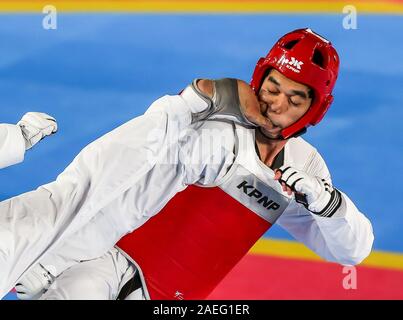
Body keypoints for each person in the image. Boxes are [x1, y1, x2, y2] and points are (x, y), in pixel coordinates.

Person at [1, 28, 373, 300]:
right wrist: (53, 256)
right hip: (104, 266)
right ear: (259, 78)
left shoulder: (305, 168)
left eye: (295, 99)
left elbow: (349, 252)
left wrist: (332, 208)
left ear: (317, 109)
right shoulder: (219, 131)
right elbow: (120, 180)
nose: (276, 104)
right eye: (272, 87)